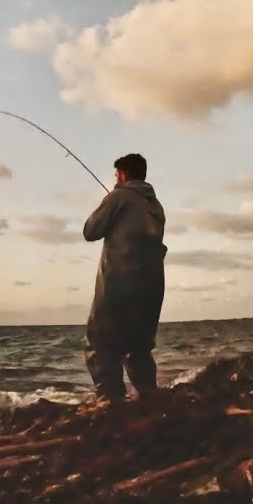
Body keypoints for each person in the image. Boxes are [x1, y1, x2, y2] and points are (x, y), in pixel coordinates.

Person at [82, 153, 167, 403]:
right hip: (151, 286)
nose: (116, 179)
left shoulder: (118, 196)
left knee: (101, 342)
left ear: (124, 174)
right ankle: (149, 396)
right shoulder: (156, 206)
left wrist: (109, 198)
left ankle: (110, 401)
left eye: (117, 174)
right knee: (138, 346)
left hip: (120, 283)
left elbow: (90, 231)